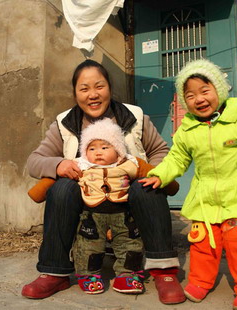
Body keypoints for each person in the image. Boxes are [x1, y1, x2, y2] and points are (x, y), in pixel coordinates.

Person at [22, 59, 186, 304]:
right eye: (84, 88)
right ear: (75, 93)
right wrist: (58, 165)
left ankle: (164, 271)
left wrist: (152, 173)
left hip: (127, 195)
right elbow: (34, 161)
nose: (92, 95)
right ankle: (55, 272)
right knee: (61, 189)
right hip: (88, 199)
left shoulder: (135, 116)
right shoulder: (65, 123)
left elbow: (160, 151)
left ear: (109, 88)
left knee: (148, 188)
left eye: (99, 86)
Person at [140, 59, 237, 310]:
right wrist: (161, 175)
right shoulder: (187, 129)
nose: (199, 99)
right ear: (184, 101)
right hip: (206, 196)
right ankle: (200, 282)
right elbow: (177, 158)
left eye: (205, 91)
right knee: (202, 242)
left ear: (219, 90)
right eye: (190, 95)